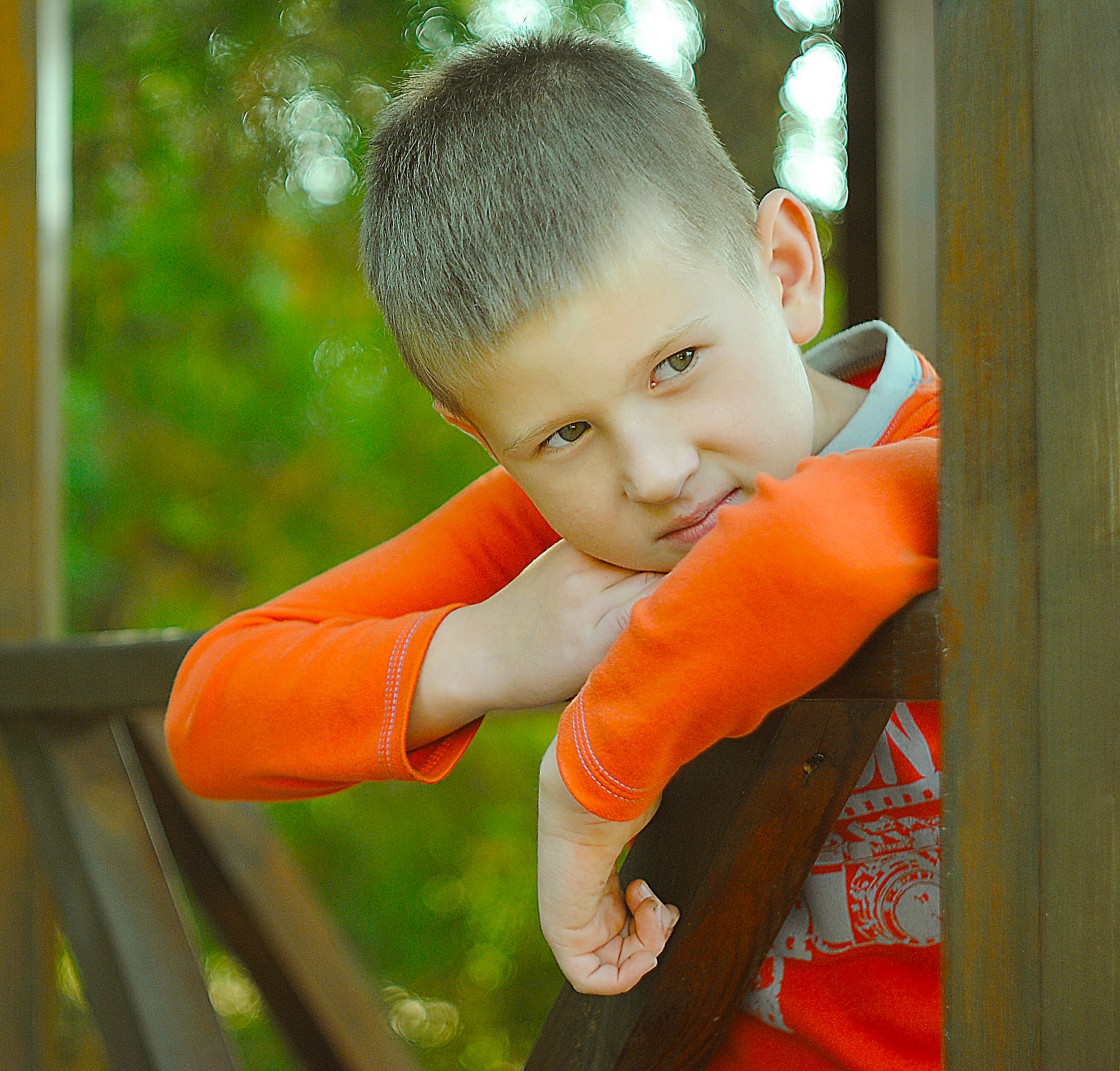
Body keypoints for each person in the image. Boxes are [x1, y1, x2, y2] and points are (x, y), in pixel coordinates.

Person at [165, 31, 940, 1071]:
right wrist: (485, 649)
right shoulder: (561, 524)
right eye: (563, 434)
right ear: (483, 438)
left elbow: (800, 545)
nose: (657, 471)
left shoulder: (970, 461)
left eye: (676, 363)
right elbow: (213, 711)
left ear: (787, 270)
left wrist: (585, 791)